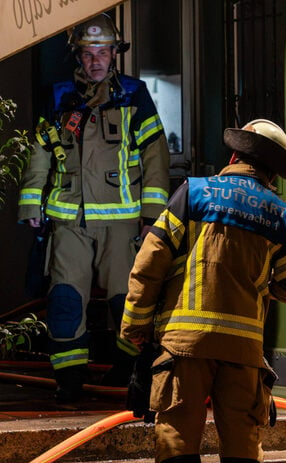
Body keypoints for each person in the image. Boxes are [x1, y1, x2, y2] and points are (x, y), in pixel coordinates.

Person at [120, 119, 286, 463]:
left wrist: (135, 325)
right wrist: (263, 283)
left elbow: (150, 260)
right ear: (271, 173)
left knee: (176, 436)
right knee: (244, 441)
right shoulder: (281, 215)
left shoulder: (193, 192)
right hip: (244, 351)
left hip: (183, 345)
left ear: (234, 157)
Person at [17, 13, 170, 403]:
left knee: (128, 301)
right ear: (78, 56)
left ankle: (128, 368)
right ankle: (68, 380)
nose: (96, 60)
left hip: (122, 223)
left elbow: (156, 156)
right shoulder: (59, 97)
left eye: (103, 52)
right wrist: (32, 201)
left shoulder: (134, 96)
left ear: (115, 54)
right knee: (65, 299)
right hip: (68, 218)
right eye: (89, 53)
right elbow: (39, 153)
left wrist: (152, 217)